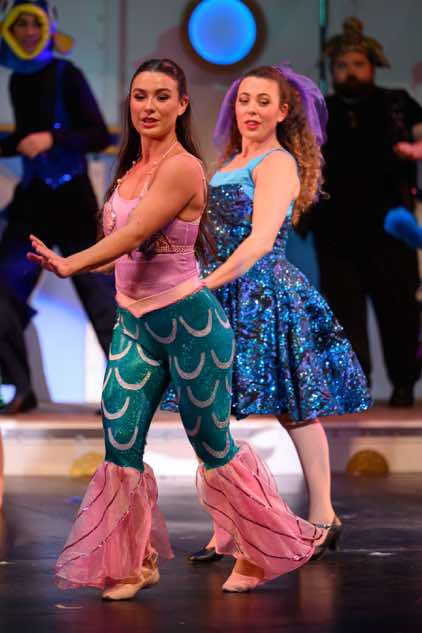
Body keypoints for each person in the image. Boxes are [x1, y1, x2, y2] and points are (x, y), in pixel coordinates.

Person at [28, 58, 322, 598]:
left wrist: (71, 263)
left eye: (162, 96)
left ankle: (258, 553)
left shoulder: (183, 167)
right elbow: (120, 250)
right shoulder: (128, 171)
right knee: (120, 442)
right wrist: (81, 263)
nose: (149, 106)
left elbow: (136, 232)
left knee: (211, 443)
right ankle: (133, 562)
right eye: (140, 96)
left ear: (181, 105)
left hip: (191, 324)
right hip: (134, 325)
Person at [168, 62, 371, 564]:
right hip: (222, 290)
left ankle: (324, 515)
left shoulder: (277, 163)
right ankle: (225, 526)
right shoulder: (228, 162)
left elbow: (260, 242)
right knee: (209, 409)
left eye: (263, 102)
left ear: (282, 112)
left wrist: (205, 283)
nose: (251, 110)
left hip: (263, 295)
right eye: (244, 100)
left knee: (294, 406)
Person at [0, 0, 115, 414]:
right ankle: (19, 387)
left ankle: (123, 393)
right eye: (21, 25)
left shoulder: (68, 74)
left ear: (48, 28)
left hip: (73, 202)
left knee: (100, 297)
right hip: (33, 202)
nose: (29, 32)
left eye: (36, 24)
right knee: (3, 290)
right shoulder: (18, 80)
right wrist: (19, 143)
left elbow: (98, 134)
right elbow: (23, 137)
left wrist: (53, 138)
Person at [310, 16, 422, 407]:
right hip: (334, 232)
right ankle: (356, 390)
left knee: (400, 311)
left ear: (372, 66)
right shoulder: (320, 110)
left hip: (391, 231)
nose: (350, 72)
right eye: (342, 65)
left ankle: (404, 384)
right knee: (344, 316)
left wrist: (416, 150)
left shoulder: (396, 103)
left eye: (358, 64)